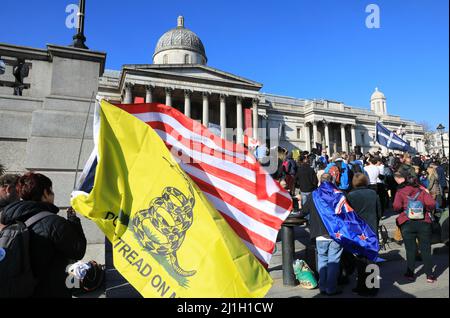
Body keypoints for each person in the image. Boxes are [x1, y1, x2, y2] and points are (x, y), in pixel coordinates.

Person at [0, 172, 87, 297]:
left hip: (20, 290)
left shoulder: (7, 220)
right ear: (45, 193)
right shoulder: (53, 222)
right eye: (50, 190)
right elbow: (78, 250)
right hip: (51, 290)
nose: (53, 194)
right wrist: (73, 220)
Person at [301, 174, 343, 296]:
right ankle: (331, 288)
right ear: (332, 181)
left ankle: (323, 286)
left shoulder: (313, 195)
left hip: (319, 233)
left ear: (320, 181)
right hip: (335, 233)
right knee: (334, 261)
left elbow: (304, 211)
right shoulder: (338, 194)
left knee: (322, 260)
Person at [393, 171, 436, 283]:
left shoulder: (400, 191)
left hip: (407, 222)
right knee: (426, 249)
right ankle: (429, 275)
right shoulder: (422, 191)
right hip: (424, 222)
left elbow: (396, 207)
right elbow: (431, 204)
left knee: (410, 249)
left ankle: (410, 273)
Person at [347, 173, 382, 296]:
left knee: (360, 260)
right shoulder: (373, 193)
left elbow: (348, 215)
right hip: (371, 229)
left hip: (358, 231)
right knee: (372, 259)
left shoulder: (350, 195)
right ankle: (372, 287)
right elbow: (379, 212)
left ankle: (361, 286)